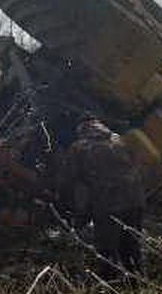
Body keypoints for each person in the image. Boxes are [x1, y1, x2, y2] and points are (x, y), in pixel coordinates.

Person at [58, 118, 147, 276]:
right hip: (136, 199)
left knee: (106, 249)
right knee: (132, 245)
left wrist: (71, 206)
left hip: (109, 203)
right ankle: (138, 282)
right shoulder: (118, 139)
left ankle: (111, 287)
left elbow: (68, 180)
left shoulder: (79, 147)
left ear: (82, 132)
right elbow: (136, 162)